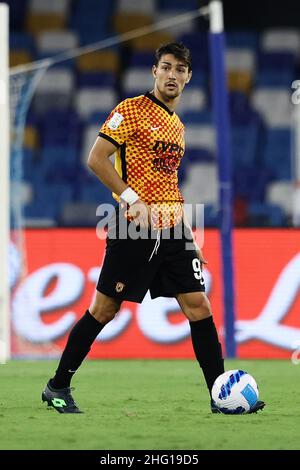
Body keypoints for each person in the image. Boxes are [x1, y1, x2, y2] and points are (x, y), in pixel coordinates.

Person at [42, 42, 265, 414]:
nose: (172, 75)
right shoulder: (130, 110)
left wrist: (189, 236)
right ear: (154, 71)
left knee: (199, 306)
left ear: (188, 77)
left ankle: (220, 395)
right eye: (166, 67)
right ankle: (58, 386)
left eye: (180, 69)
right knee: (104, 309)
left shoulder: (178, 126)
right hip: (134, 228)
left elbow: (170, 184)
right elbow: (96, 159)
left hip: (173, 231)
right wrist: (131, 198)